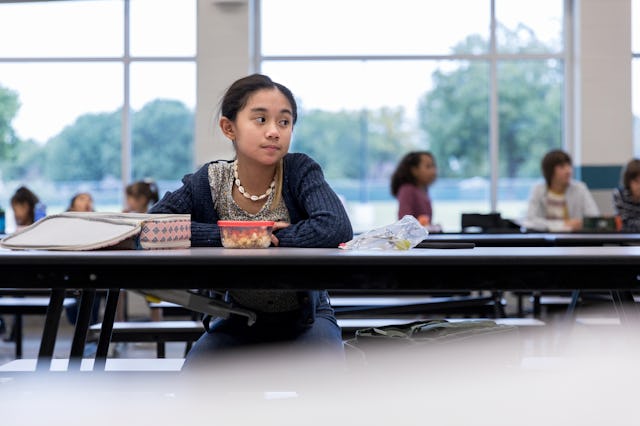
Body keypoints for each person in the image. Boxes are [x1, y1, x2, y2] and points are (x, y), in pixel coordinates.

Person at [148, 73, 353, 370]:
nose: (274, 132)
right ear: (228, 127)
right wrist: (240, 236)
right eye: (260, 120)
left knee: (326, 386)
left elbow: (336, 226)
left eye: (284, 122)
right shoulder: (210, 180)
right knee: (195, 381)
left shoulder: (299, 170)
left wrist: (273, 237)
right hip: (236, 318)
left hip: (306, 319)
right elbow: (154, 227)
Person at [526, 149, 599, 232]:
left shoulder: (580, 188)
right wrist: (564, 224)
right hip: (545, 240)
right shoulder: (538, 189)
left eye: (569, 166)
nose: (568, 171)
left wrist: (580, 224)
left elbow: (593, 217)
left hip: (575, 239)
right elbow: (530, 221)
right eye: (562, 167)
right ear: (550, 170)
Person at [390, 151, 437, 226]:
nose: (433, 171)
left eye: (433, 166)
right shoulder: (407, 190)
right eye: (428, 166)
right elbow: (404, 223)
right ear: (414, 170)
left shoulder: (423, 190)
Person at [613, 158, 640, 232]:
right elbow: (622, 223)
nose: (639, 186)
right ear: (628, 181)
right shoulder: (619, 194)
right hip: (624, 239)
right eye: (636, 181)